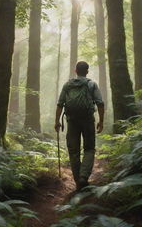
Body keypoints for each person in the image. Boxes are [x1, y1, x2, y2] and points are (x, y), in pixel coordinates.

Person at [55, 61, 104, 191]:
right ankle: (83, 176)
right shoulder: (92, 84)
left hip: (72, 121)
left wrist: (57, 121)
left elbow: (60, 104)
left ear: (75, 71)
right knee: (89, 148)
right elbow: (100, 103)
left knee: (73, 151)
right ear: (87, 71)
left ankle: (77, 180)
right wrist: (101, 121)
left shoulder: (67, 85)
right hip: (88, 120)